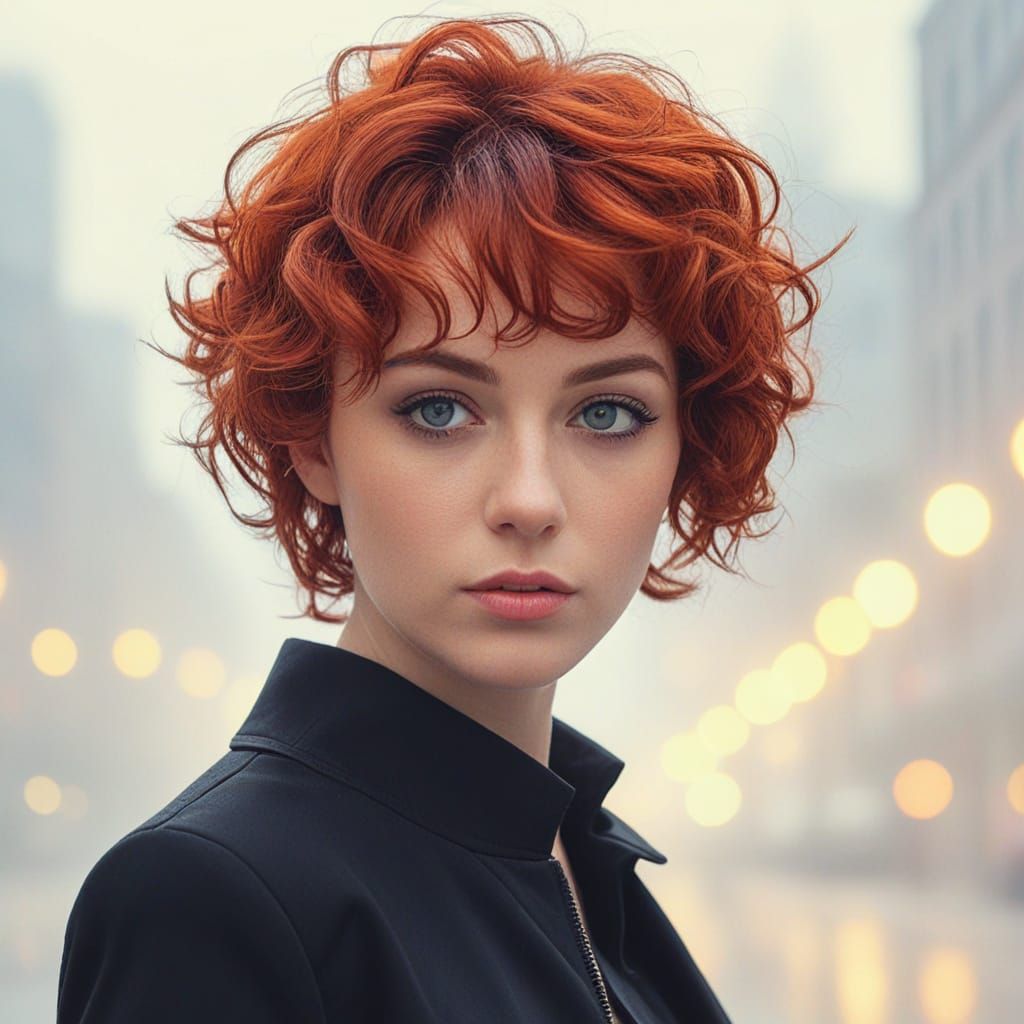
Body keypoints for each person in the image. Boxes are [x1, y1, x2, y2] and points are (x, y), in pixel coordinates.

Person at [56, 13, 850, 1023]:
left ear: (682, 443)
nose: (527, 498)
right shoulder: (214, 898)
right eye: (439, 407)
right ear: (312, 436)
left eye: (606, 412)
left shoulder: (578, 857)